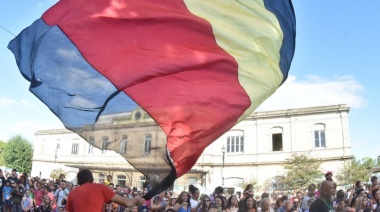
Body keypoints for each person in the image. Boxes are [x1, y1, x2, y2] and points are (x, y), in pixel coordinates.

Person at [64, 169, 144, 212]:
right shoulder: (100, 188)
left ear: (78, 180)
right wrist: (139, 199)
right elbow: (127, 202)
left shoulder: (72, 193)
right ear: (92, 179)